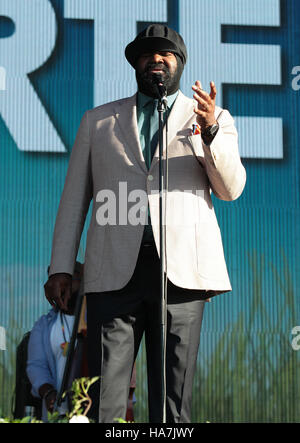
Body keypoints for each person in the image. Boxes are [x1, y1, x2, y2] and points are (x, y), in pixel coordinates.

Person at [44, 24, 246, 423]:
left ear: (179, 65)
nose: (156, 59)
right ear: (136, 64)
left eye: (166, 54)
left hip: (182, 276)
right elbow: (73, 202)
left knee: (173, 403)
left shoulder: (211, 117)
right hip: (112, 273)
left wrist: (210, 133)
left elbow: (231, 188)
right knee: (106, 402)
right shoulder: (98, 121)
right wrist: (61, 268)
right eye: (147, 54)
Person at [27, 262, 85, 421]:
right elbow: (36, 365)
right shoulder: (43, 325)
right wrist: (48, 392)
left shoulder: (96, 320)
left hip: (91, 409)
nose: (63, 285)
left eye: (72, 277)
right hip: (57, 414)